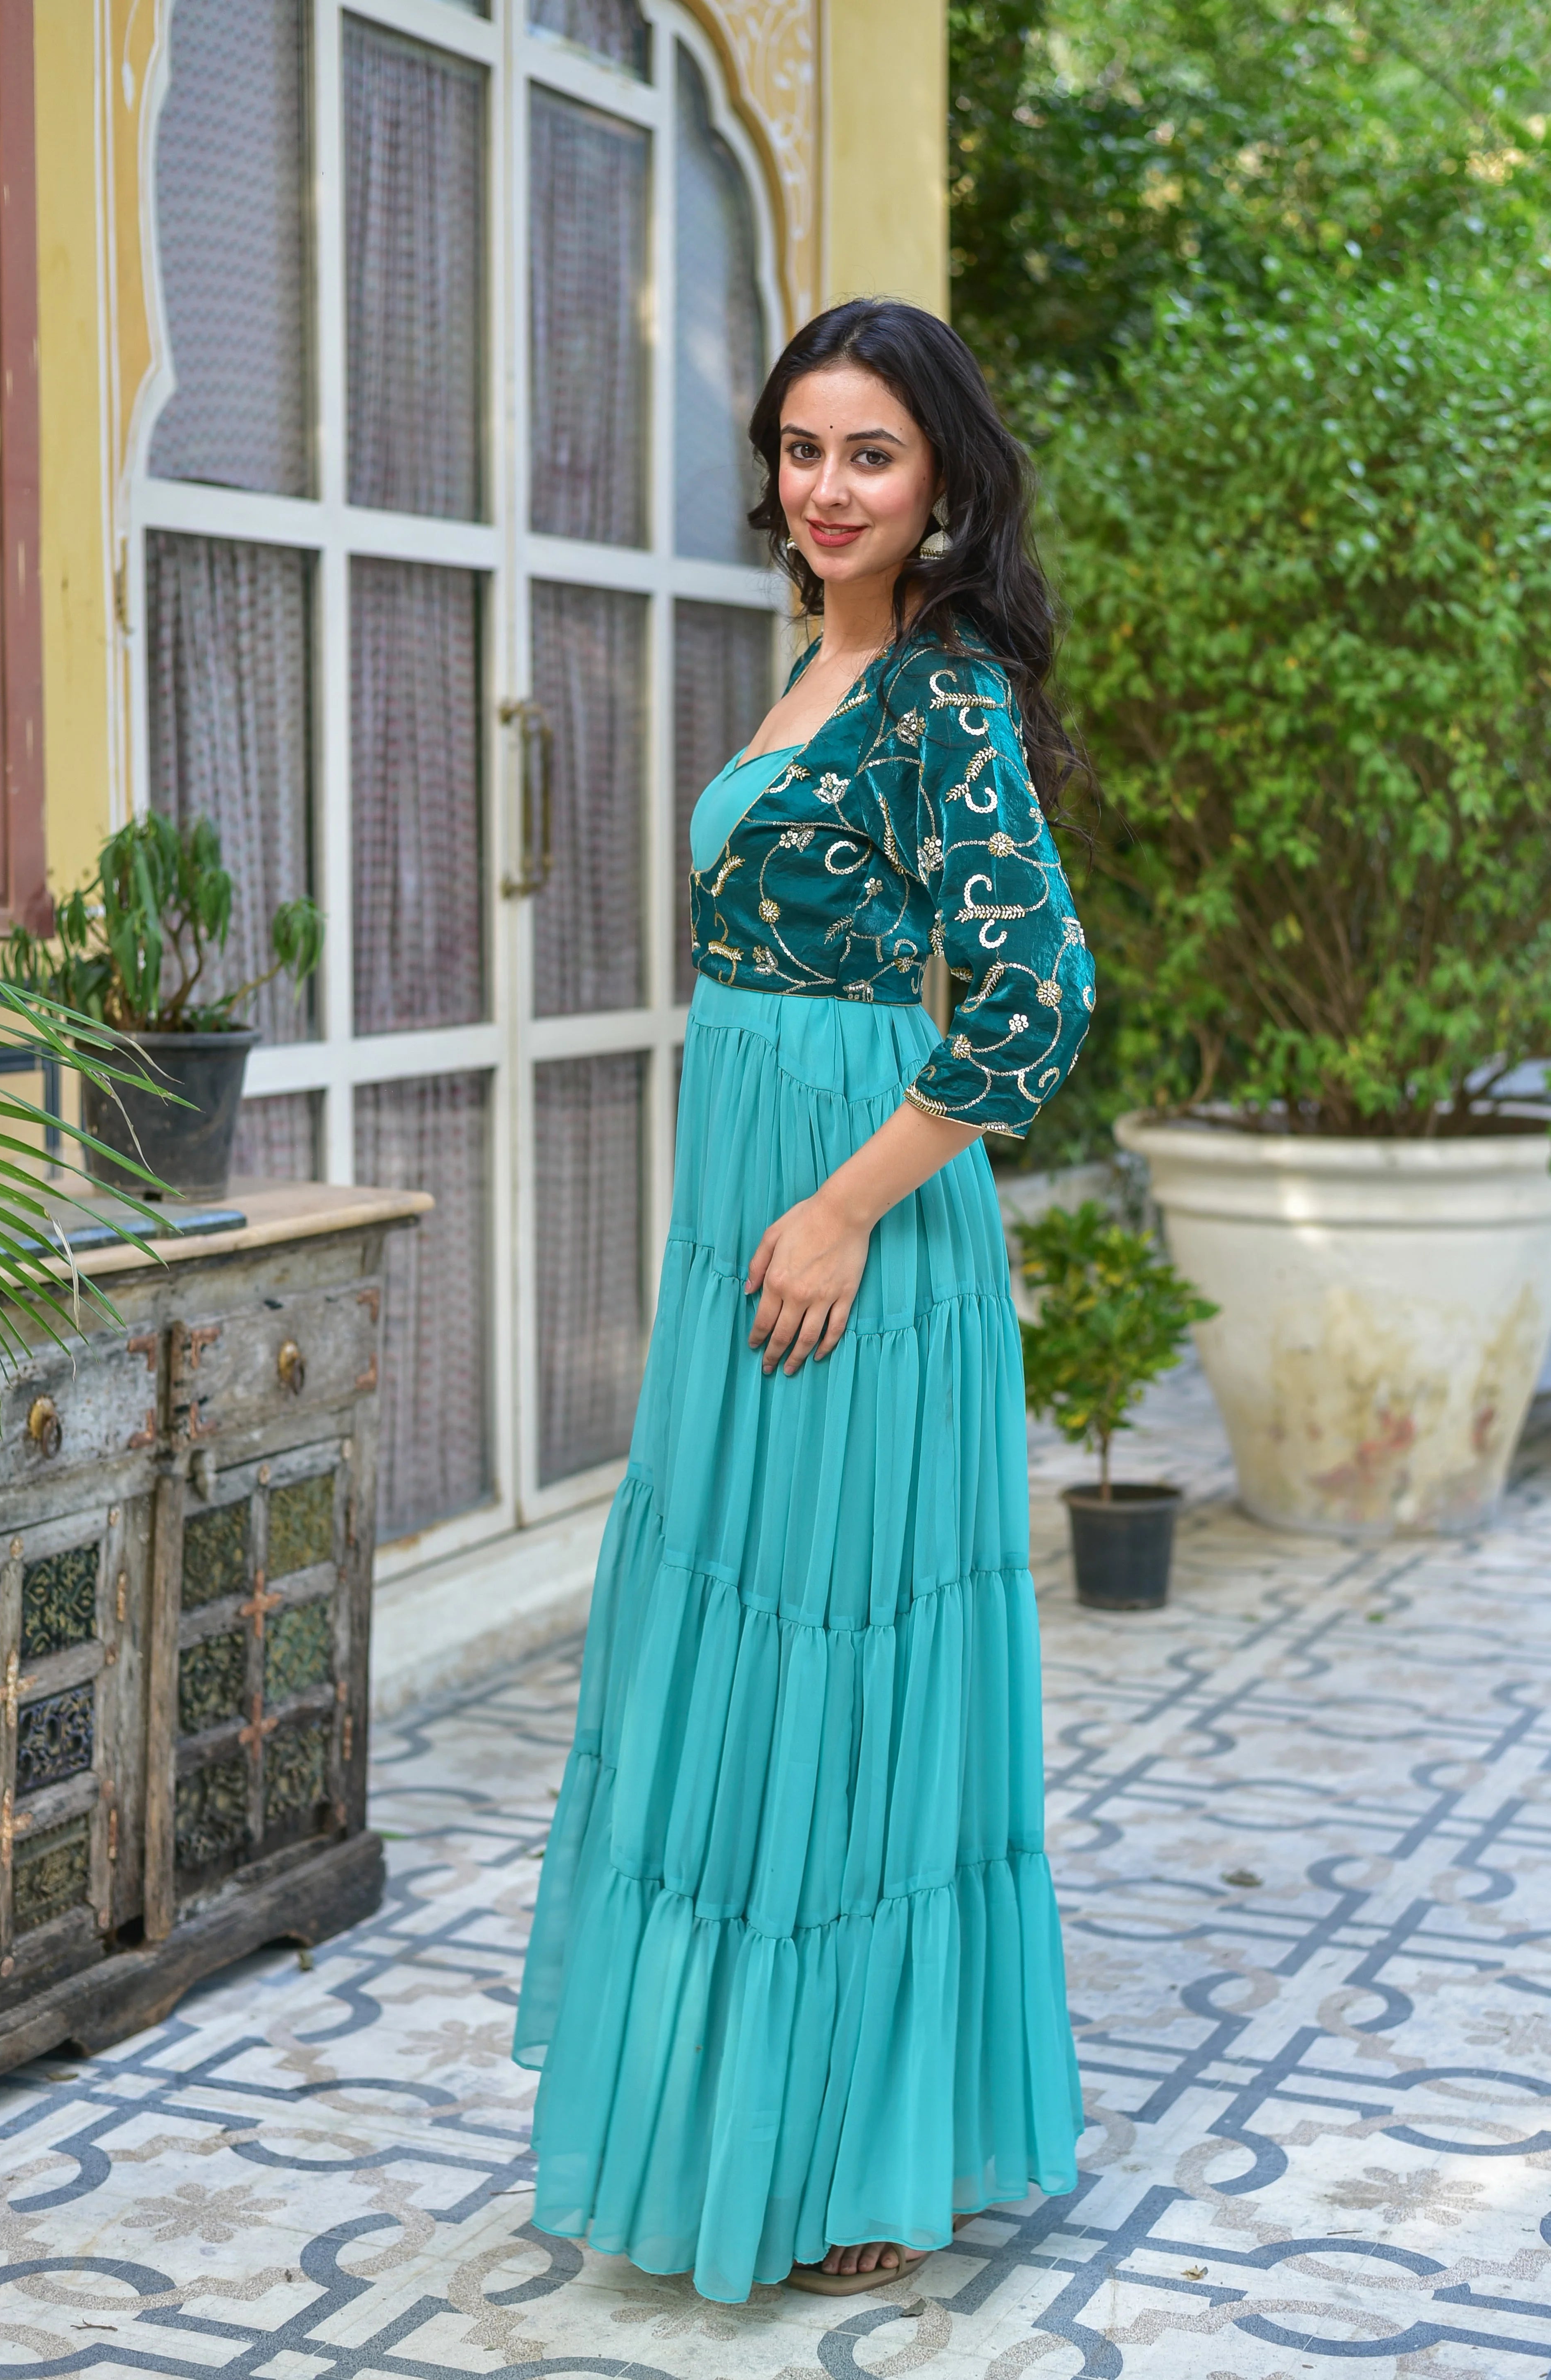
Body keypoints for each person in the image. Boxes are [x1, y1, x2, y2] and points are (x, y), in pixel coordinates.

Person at [512, 297, 1093, 2304]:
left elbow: (1033, 1007)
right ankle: (723, 2115)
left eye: (870, 454)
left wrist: (841, 1212)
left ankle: (858, 2144)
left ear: (938, 487)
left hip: (854, 1230)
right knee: (733, 1658)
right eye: (801, 446)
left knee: (845, 1673)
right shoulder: (808, 673)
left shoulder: (937, 699)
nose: (825, 486)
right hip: (747, 1220)